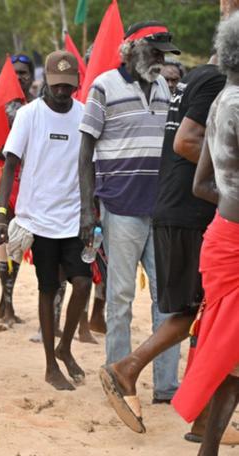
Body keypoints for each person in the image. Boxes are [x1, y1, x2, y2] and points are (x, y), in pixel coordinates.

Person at [99, 49, 239, 443]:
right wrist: (232, 191)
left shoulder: (201, 78)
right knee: (199, 310)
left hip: (186, 206)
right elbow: (186, 141)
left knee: (205, 313)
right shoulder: (220, 85)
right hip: (194, 211)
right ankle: (128, 367)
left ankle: (203, 417)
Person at [79, 21, 181, 409]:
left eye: (163, 54)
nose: (161, 60)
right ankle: (115, 377)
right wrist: (88, 210)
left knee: (167, 300)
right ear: (132, 50)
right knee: (119, 298)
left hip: (160, 209)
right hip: (119, 206)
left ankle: (166, 385)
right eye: (155, 52)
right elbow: (84, 150)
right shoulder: (104, 86)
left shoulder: (163, 88)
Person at [0, 51, 91, 390]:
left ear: (77, 84)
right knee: (48, 289)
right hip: (40, 219)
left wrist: (91, 212)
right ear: (45, 83)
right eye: (56, 85)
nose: (63, 92)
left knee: (82, 283)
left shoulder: (84, 114)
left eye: (68, 86)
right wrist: (2, 215)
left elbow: (88, 166)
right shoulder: (28, 115)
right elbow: (9, 165)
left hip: (74, 217)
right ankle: (51, 364)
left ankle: (64, 347)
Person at [173, 13, 239, 455]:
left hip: (224, 235)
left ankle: (208, 449)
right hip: (234, 243)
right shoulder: (235, 105)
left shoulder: (222, 100)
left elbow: (202, 185)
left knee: (232, 358)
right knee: (228, 355)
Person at [0, 53, 36, 329]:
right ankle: (7, 304)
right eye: (14, 73)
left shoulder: (37, 106)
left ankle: (6, 303)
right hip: (2, 177)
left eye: (24, 73)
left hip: (29, 178)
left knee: (19, 239)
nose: (19, 78)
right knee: (6, 239)